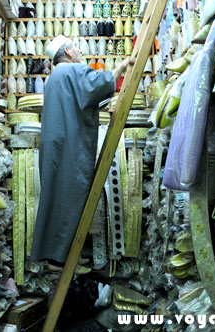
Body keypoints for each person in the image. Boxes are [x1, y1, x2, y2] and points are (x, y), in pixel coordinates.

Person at [29, 35, 135, 269]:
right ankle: (59, 258)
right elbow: (100, 84)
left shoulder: (56, 77)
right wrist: (122, 66)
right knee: (70, 196)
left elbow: (82, 101)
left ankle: (60, 255)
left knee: (56, 198)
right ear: (67, 51)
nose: (79, 50)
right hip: (69, 146)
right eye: (75, 47)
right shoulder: (71, 71)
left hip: (57, 145)